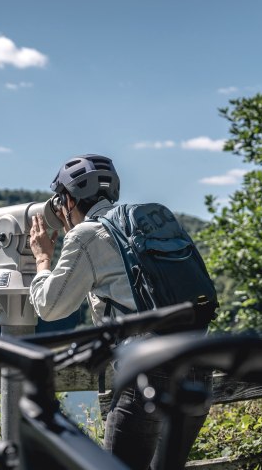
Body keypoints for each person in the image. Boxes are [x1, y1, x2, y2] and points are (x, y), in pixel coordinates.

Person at [29, 154, 209, 470]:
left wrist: (43, 259)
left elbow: (49, 306)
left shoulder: (87, 234)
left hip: (149, 372)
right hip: (197, 367)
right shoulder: (149, 223)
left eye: (60, 201)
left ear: (69, 199)